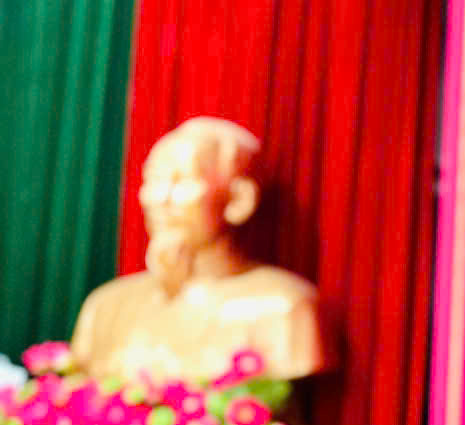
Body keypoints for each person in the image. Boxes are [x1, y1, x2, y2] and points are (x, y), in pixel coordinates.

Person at [69, 116, 325, 389]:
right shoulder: (106, 307)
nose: (158, 199)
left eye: (181, 182)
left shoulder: (285, 308)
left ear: (239, 200)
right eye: (153, 181)